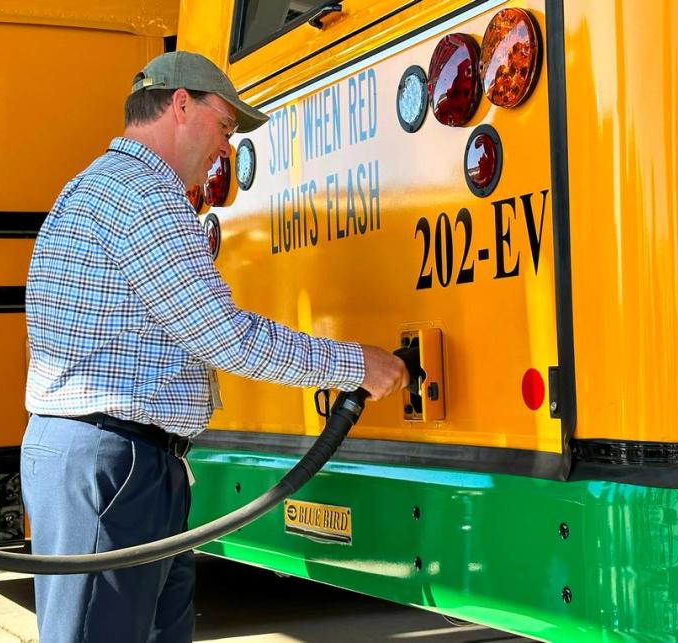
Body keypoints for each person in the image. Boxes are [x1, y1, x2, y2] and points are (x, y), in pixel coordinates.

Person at [20, 51, 409, 643]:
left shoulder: (92, 186)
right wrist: (357, 364)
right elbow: (224, 336)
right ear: (181, 105)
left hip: (106, 458)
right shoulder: (145, 196)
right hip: (112, 465)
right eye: (225, 128)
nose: (226, 149)